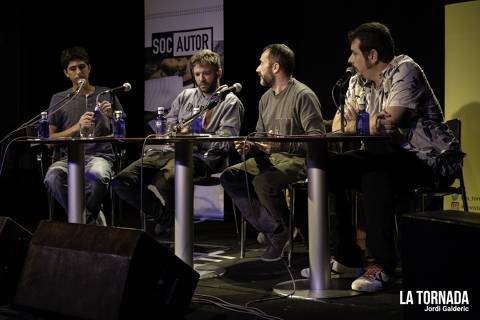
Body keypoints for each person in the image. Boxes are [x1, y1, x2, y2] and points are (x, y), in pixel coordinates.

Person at [301, 22, 463, 292]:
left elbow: (389, 122)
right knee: (327, 168)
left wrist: (361, 123)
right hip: (385, 154)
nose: (349, 59)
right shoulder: (357, 81)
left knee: (375, 170)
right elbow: (339, 125)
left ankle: (382, 265)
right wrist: (364, 123)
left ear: (372, 55)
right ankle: (347, 256)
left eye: (354, 53)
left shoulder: (405, 70)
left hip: (429, 160)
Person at [112, 49, 244, 232]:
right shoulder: (185, 96)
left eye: (206, 73)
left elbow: (227, 141)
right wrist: (176, 130)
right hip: (169, 151)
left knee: (165, 179)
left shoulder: (230, 102)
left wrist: (195, 138)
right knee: (121, 181)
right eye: (197, 74)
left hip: (203, 158)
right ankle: (168, 219)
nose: (201, 79)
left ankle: (177, 228)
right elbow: (169, 123)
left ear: (218, 72)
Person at [220, 44, 325, 262]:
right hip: (272, 158)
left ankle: (279, 231)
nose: (258, 69)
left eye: (262, 63)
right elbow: (261, 136)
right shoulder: (265, 98)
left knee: (263, 181)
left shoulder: (302, 95)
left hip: (299, 161)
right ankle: (276, 228)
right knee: (230, 176)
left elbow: (317, 139)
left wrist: (282, 146)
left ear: (275, 67)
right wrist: (251, 146)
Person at [44, 46, 125, 225]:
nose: (78, 72)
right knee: (52, 177)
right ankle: (92, 218)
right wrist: (77, 127)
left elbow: (122, 135)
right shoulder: (59, 99)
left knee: (97, 176)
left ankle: (84, 221)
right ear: (66, 73)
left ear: (89, 68)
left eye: (82, 67)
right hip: (68, 159)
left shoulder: (106, 94)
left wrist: (112, 117)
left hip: (99, 156)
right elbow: (50, 140)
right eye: (73, 69)